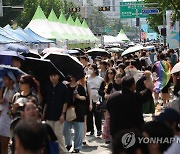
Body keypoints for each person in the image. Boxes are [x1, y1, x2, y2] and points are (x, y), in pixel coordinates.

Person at [42, 70, 68, 154]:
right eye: (51, 76)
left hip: (59, 114)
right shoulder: (47, 86)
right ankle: (52, 151)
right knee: (49, 135)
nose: (52, 77)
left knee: (58, 134)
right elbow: (46, 101)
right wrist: (43, 113)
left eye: (54, 75)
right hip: (49, 113)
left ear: (58, 76)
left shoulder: (63, 87)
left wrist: (63, 114)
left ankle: (63, 151)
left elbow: (65, 102)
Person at [63, 75, 86, 153]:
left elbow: (85, 97)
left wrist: (78, 97)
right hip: (67, 110)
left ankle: (77, 147)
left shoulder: (80, 87)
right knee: (65, 129)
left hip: (78, 111)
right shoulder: (65, 86)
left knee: (78, 131)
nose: (70, 76)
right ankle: (68, 144)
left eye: (72, 75)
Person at [0, 72, 17, 154]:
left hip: (12, 119)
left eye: (5, 79)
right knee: (3, 144)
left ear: (11, 80)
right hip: (3, 117)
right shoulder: (4, 89)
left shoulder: (16, 91)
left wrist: (13, 103)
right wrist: (1, 101)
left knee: (11, 144)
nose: (4, 81)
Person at [87, 64, 104, 136]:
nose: (89, 70)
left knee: (97, 115)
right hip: (89, 98)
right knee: (89, 115)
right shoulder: (86, 78)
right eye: (89, 68)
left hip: (97, 98)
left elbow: (102, 89)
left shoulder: (100, 79)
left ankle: (99, 129)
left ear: (95, 70)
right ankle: (91, 129)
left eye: (91, 68)